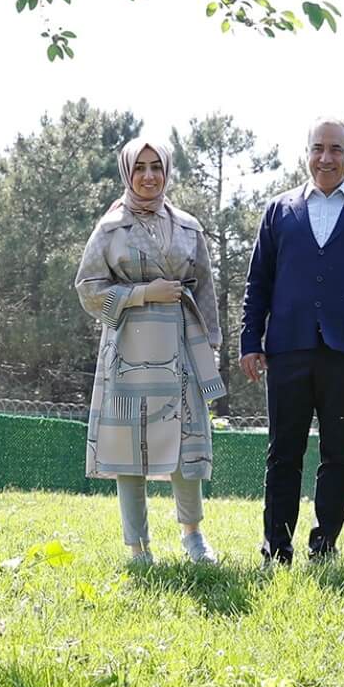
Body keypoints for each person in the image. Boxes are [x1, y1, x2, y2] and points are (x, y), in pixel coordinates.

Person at [239, 116, 344, 564]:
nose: (326, 158)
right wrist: (250, 340)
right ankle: (276, 547)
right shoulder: (279, 211)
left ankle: (325, 545)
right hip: (288, 348)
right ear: (307, 153)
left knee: (338, 452)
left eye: (336, 149)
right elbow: (259, 282)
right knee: (282, 452)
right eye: (318, 148)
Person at [75, 135, 226, 565]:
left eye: (155, 167)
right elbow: (87, 290)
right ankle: (137, 547)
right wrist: (142, 293)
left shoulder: (188, 227)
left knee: (185, 443)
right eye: (139, 167)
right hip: (129, 350)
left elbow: (207, 292)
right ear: (127, 172)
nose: (148, 176)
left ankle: (193, 536)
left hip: (180, 349)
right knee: (129, 450)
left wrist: (209, 347)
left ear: (166, 171)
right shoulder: (109, 229)